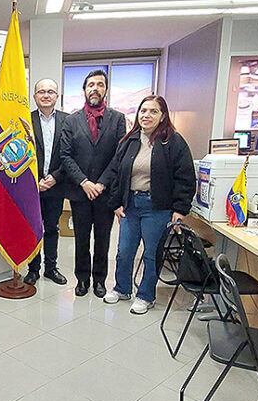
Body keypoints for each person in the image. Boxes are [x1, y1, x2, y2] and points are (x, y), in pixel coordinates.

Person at [103, 95, 196, 314]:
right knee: (124, 251)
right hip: (130, 205)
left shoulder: (173, 142)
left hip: (157, 207)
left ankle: (146, 296)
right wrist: (116, 203)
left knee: (151, 254)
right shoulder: (129, 141)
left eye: (153, 111)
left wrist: (180, 209)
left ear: (163, 115)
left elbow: (185, 177)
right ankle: (122, 288)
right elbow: (116, 174)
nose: (146, 115)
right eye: (143, 111)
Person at [60, 69, 126, 298]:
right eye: (90, 85)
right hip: (80, 193)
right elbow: (65, 156)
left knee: (103, 238)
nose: (94, 88)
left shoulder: (117, 119)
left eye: (99, 84)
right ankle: (81, 279)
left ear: (106, 90)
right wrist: (84, 182)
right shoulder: (71, 120)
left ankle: (99, 280)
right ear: (84, 90)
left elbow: (120, 155)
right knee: (81, 237)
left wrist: (101, 184)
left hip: (105, 193)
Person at [23, 78, 69, 286]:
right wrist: (35, 181)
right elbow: (20, 154)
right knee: (33, 229)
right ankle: (33, 269)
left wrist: (55, 177)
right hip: (31, 187)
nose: (46, 95)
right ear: (34, 96)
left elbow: (71, 155)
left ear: (57, 96)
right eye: (41, 91)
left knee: (52, 228)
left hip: (56, 185)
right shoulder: (25, 120)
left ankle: (51, 268)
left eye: (51, 91)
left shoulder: (68, 121)